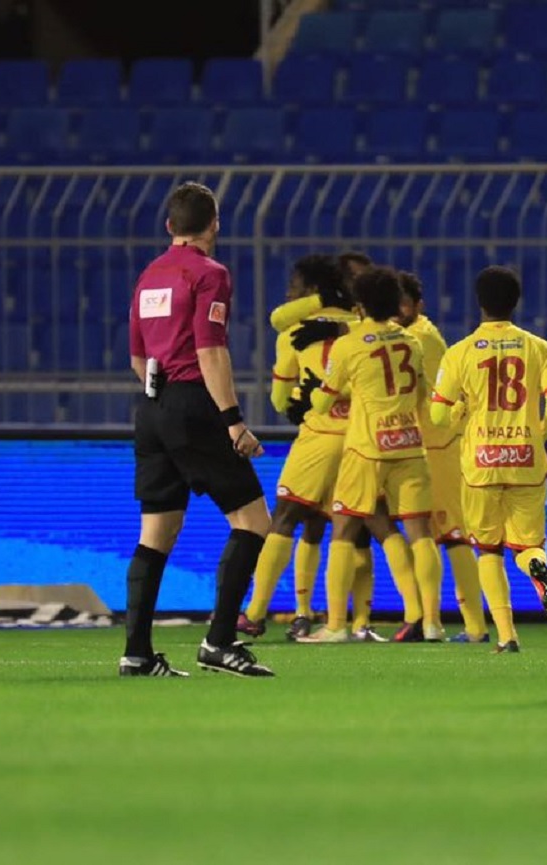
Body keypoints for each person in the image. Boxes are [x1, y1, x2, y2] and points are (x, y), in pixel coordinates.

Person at [118, 180, 274, 678]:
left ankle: (137, 654)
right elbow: (210, 349)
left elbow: (139, 358)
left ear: (169, 226)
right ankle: (219, 643)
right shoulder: (209, 274)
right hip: (193, 402)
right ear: (214, 225)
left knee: (156, 533)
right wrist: (231, 420)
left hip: (151, 406)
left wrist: (161, 402)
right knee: (253, 523)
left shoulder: (149, 276)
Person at [297, 266, 442, 643]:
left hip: (366, 449)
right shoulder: (410, 342)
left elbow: (325, 401)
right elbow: (423, 394)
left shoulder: (348, 344)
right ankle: (431, 623)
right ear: (397, 304)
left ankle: (334, 626)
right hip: (409, 446)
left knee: (343, 530)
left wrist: (315, 395)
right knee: (420, 534)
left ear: (359, 307)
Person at [238, 254, 377, 641]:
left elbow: (281, 399)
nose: (288, 293)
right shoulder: (365, 328)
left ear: (311, 291)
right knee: (346, 529)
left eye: (295, 286)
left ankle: (254, 612)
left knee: (285, 517)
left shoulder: (293, 331)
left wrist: (299, 404)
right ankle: (353, 621)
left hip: (319, 437)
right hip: (360, 441)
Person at [430, 266, 547, 654]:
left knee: (488, 550)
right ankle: (537, 570)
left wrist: (460, 416)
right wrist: (537, 434)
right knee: (527, 546)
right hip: (526, 459)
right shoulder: (538, 347)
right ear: (515, 301)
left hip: (481, 462)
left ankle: (507, 636)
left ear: (479, 302)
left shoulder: (459, 353)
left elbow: (439, 416)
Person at [396, 270, 488, 643]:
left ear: (418, 305)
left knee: (453, 534)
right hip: (419, 447)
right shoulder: (412, 334)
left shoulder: (421, 338)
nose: (398, 310)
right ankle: (426, 618)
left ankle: (475, 626)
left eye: (404, 303)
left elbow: (437, 394)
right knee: (431, 535)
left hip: (439, 447)